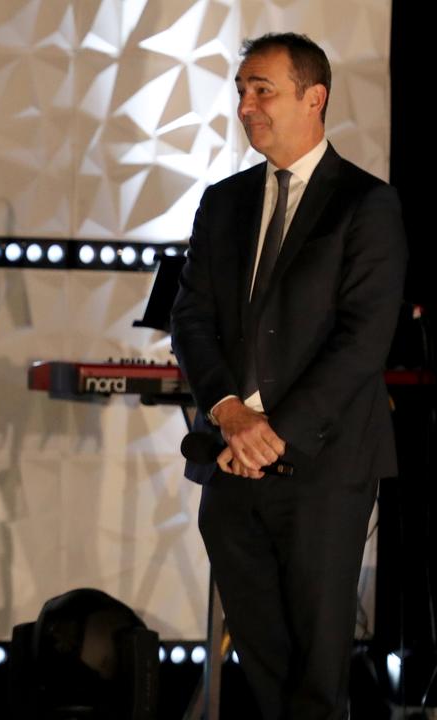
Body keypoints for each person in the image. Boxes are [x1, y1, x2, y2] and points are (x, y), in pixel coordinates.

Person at [170, 33, 407, 719]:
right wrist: (231, 415)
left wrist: (277, 432)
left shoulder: (367, 205)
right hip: (232, 467)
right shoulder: (223, 202)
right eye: (241, 89)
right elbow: (192, 317)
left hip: (323, 470)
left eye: (261, 89)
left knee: (315, 669)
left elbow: (362, 341)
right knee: (266, 667)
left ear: (315, 97)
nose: (246, 105)